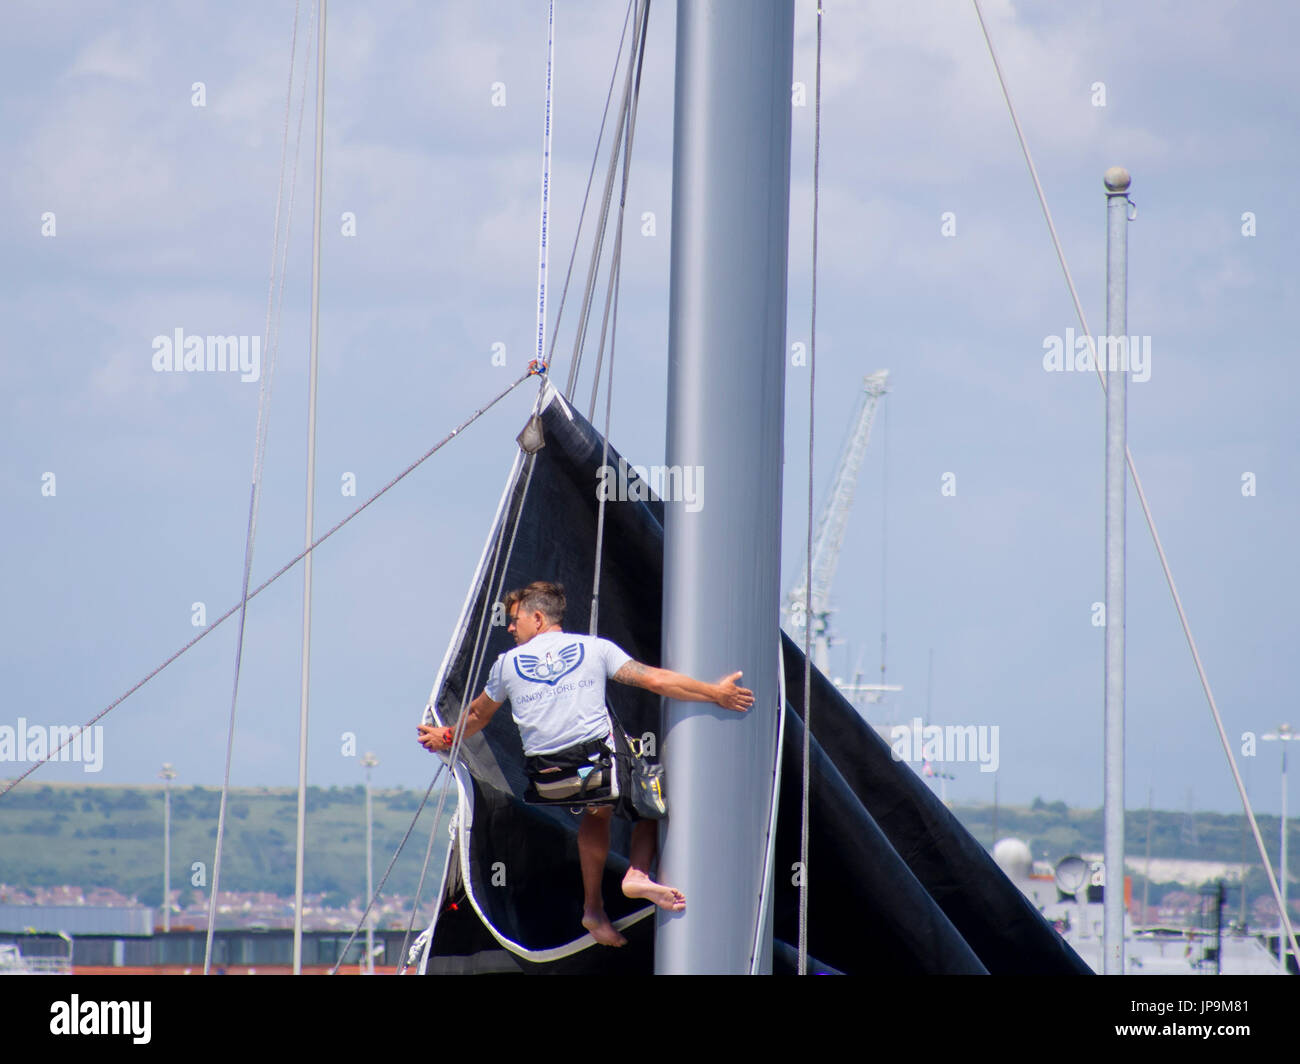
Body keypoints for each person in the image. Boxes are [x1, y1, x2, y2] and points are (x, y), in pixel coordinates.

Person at [417, 579, 753, 947]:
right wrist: (715, 693)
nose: (509, 627)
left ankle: (593, 909)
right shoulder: (595, 649)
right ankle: (638, 874)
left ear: (539, 618)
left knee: (598, 811)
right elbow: (656, 680)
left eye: (514, 620)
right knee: (653, 792)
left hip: (548, 781)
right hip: (599, 768)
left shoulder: (505, 666)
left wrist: (445, 736)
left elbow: (478, 716)